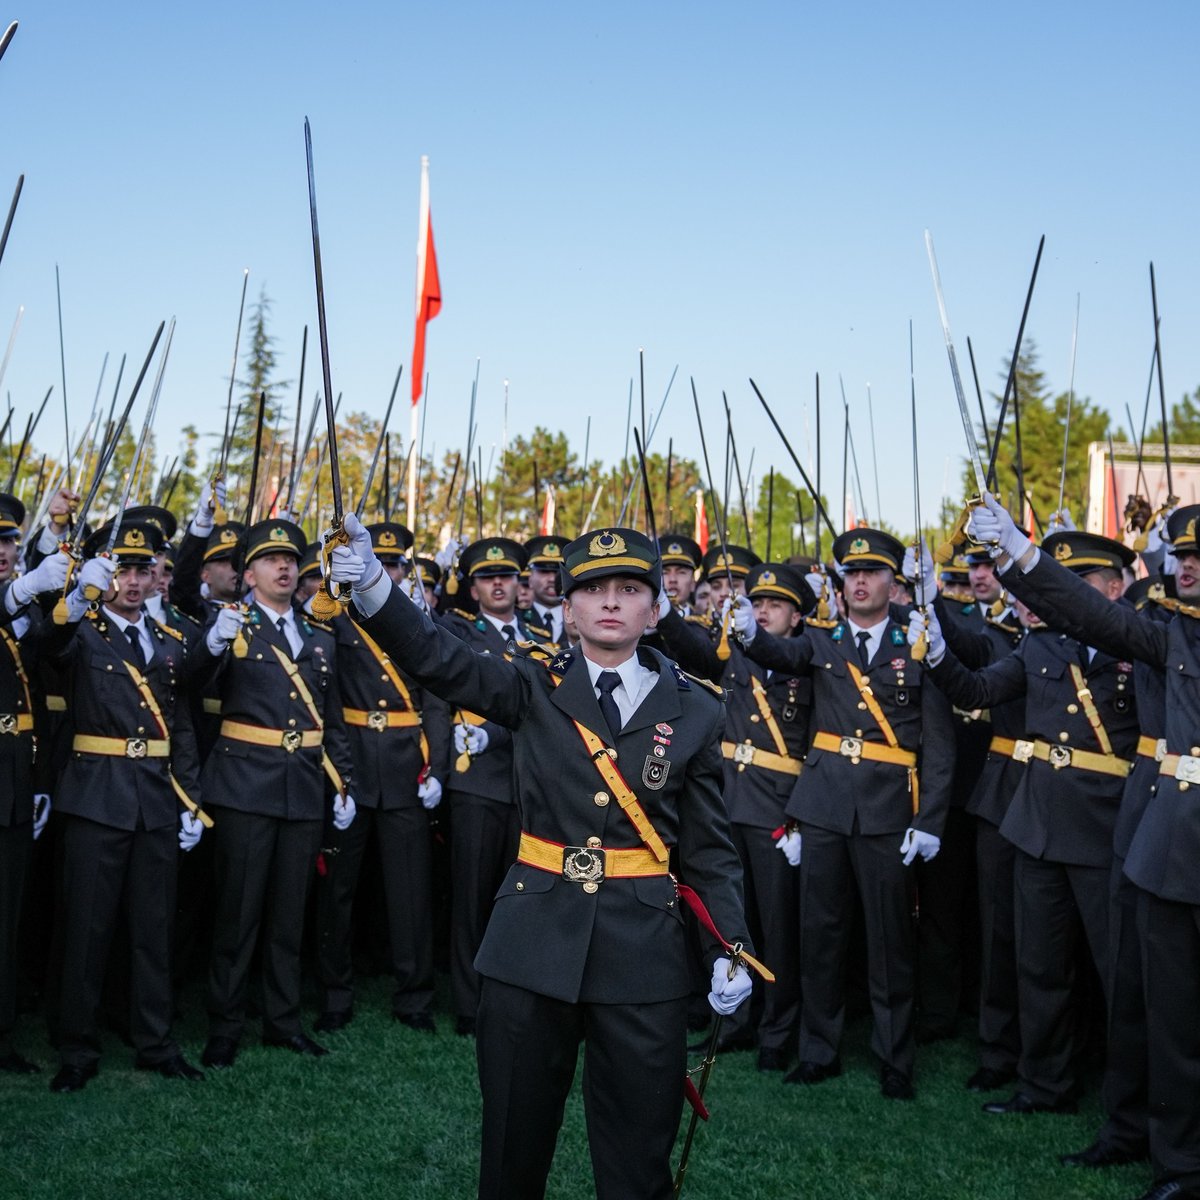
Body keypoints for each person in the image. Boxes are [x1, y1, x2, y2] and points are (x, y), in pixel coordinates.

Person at [329, 515, 759, 1200]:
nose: (611, 601)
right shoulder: (530, 684)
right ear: (568, 607)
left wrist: (728, 947)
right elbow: (440, 658)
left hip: (644, 955)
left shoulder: (698, 711)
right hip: (531, 947)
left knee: (638, 1163)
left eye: (629, 588)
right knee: (511, 1153)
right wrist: (377, 588)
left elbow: (709, 850)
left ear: (655, 609)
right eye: (593, 589)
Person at [965, 495, 1198, 1200]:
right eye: (1184, 557)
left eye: (1198, 560)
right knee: (1162, 1011)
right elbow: (1090, 614)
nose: (1188, 569)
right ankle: (1171, 1155)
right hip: (1172, 840)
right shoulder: (1177, 636)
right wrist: (1021, 554)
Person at [912, 524, 1139, 1121]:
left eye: (1080, 582)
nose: (1062, 593)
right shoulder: (1041, 648)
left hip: (1107, 828)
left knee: (1119, 973)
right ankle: (1044, 1085)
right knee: (1038, 964)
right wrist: (937, 652)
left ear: (1114, 589)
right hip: (1036, 824)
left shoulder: (1139, 649)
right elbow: (979, 689)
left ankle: (1131, 1103)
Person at [730, 528, 954, 1100]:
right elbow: (779, 652)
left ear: (892, 583)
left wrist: (929, 821)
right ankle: (818, 1050)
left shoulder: (918, 642)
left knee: (888, 943)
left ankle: (894, 1058)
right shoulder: (823, 641)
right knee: (820, 937)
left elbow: (938, 743)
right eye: (851, 573)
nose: (860, 581)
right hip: (824, 806)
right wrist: (751, 632)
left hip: (886, 811)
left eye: (873, 572)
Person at [36, 518, 206, 1091]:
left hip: (155, 800)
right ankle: (77, 1049)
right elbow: (47, 642)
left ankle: (155, 1042)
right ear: (107, 574)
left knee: (152, 929)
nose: (133, 582)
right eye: (123, 570)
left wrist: (189, 798)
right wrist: (80, 590)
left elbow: (180, 726)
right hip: (95, 796)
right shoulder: (82, 630)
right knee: (88, 929)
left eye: (143, 570)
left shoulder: (168, 642)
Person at [197, 518, 355, 1069]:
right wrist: (212, 644)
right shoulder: (232, 626)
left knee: (290, 915)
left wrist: (344, 780)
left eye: (290, 559)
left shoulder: (317, 633)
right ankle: (225, 1025)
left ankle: (282, 1022)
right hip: (244, 783)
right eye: (271, 560)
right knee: (238, 915)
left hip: (304, 786)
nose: (285, 567)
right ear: (248, 574)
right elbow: (191, 685)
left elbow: (330, 716)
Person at [657, 560, 814, 1071]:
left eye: (776, 605)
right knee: (732, 925)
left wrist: (802, 815)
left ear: (797, 617)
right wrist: (666, 614)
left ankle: (777, 1033)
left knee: (779, 929)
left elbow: (819, 746)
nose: (764, 611)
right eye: (759, 602)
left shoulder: (809, 664)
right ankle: (737, 1024)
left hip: (780, 809)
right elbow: (696, 655)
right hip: (730, 803)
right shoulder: (735, 654)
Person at [314, 521, 451, 1033]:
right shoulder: (337, 616)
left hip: (404, 768)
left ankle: (413, 997)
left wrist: (436, 767)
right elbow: (323, 694)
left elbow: (436, 700)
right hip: (350, 763)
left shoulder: (414, 621)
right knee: (339, 890)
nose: (388, 572)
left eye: (395, 565)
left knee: (410, 893)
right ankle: (334, 993)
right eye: (382, 563)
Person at [437, 536, 531, 1036]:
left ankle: (513, 997)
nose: (499, 583)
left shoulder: (539, 633)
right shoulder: (459, 629)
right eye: (488, 577)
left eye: (507, 576)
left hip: (528, 783)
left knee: (521, 900)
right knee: (472, 898)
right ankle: (470, 1005)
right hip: (479, 780)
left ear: (519, 585)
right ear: (472, 588)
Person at [0, 495, 66, 1074]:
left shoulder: (16, 611)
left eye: (9, 543)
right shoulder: (8, 601)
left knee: (7, 916)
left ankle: (2, 1034)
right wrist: (23, 589)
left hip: (15, 784)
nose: (2, 552)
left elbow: (39, 705)